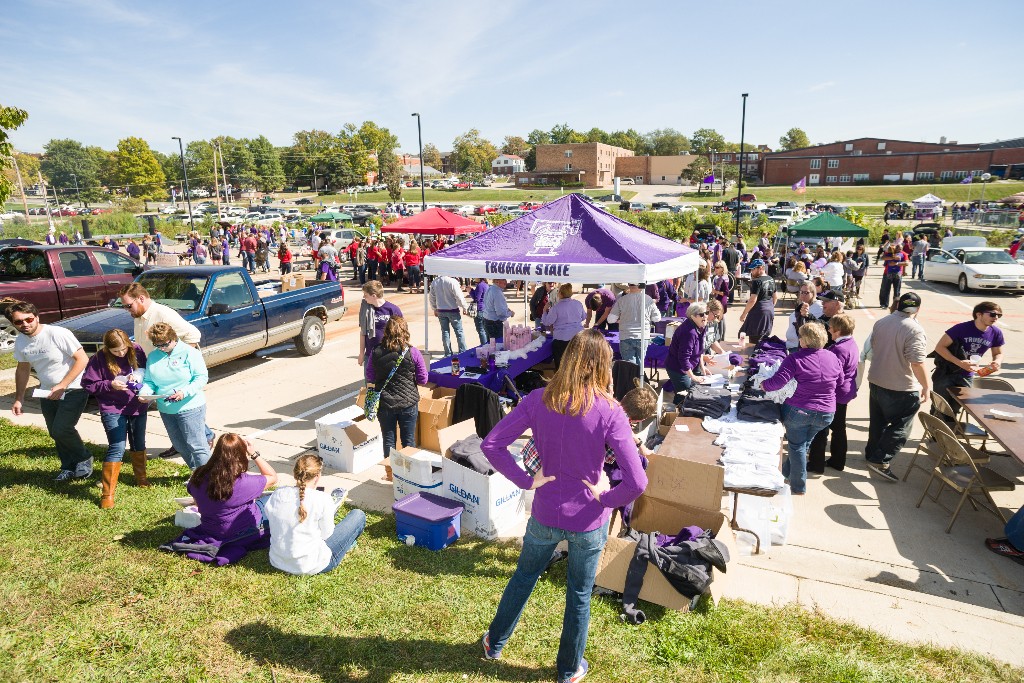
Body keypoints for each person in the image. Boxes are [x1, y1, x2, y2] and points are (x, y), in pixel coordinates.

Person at [479, 329, 647, 683]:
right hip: (588, 518)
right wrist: (606, 497)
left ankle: (494, 643)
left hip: (546, 512)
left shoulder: (538, 399)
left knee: (524, 577)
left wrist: (528, 481)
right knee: (580, 594)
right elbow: (637, 482)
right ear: (604, 366)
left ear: (567, 358)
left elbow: (492, 444)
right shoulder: (610, 411)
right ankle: (569, 669)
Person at [7, 300, 92, 482]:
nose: (25, 324)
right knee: (54, 432)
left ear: (37, 317)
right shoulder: (21, 341)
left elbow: (82, 359)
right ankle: (68, 467)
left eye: (29, 319)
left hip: (74, 388)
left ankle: (84, 458)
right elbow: (22, 369)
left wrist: (63, 385)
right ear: (13, 324)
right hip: (46, 391)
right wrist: (19, 398)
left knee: (62, 429)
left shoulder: (58, 333)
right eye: (19, 322)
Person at [168, 433, 277, 566]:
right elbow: (272, 477)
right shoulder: (243, 483)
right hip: (242, 530)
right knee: (274, 497)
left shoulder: (199, 474)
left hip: (211, 529)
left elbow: (197, 501)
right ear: (240, 456)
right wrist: (254, 453)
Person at [762, 322, 842, 495]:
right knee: (802, 445)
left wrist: (763, 384)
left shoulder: (795, 358)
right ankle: (784, 473)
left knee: (797, 446)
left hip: (799, 411)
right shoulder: (832, 357)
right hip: (826, 413)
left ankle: (798, 486)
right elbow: (840, 382)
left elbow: (776, 383)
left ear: (804, 340)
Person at [264, 454, 367, 575]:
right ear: (317, 476)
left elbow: (270, 516)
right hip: (314, 564)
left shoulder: (278, 493)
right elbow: (326, 534)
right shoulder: (322, 498)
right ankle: (348, 544)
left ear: (295, 473)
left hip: (278, 561)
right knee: (358, 515)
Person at [81, 329, 150, 508]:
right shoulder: (98, 358)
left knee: (138, 442)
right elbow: (88, 384)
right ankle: (107, 494)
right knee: (117, 446)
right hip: (112, 407)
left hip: (137, 405)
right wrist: (109, 384)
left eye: (123, 349)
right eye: (116, 351)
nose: (121, 353)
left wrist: (142, 381)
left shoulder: (137, 350)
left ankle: (141, 479)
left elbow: (148, 374)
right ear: (107, 349)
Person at [864, 292, 929, 482]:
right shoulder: (914, 329)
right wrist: (925, 386)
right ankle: (881, 460)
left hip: (877, 380)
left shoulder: (882, 322)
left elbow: (874, 346)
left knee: (878, 423)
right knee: (901, 427)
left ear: (899, 305)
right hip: (900, 386)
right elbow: (916, 362)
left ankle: (871, 454)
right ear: (917, 309)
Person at [139, 323, 211, 471]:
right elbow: (149, 381)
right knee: (179, 445)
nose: (162, 348)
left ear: (174, 338)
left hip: (190, 407)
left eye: (165, 344)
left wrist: (184, 392)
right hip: (166, 409)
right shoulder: (153, 356)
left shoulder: (190, 353)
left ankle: (209, 478)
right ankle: (195, 473)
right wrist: (144, 393)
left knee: (197, 445)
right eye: (157, 345)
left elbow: (201, 377)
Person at [367, 316, 428, 464]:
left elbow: (370, 376)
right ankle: (409, 474)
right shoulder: (413, 352)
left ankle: (391, 472)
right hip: (408, 403)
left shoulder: (376, 351)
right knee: (409, 440)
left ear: (386, 331)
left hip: (385, 404)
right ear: (405, 331)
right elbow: (423, 379)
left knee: (388, 440)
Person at [930, 301, 1005, 414]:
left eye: (999, 315)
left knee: (956, 409)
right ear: (979, 314)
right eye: (992, 314)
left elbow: (998, 353)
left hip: (966, 375)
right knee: (940, 407)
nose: (996, 318)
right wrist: (960, 363)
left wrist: (997, 361)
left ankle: (951, 430)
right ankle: (935, 429)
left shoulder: (996, 332)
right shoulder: (960, 328)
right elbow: (940, 348)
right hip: (946, 372)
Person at [808, 314, 859, 473]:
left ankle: (816, 463)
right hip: (845, 391)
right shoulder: (851, 343)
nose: (828, 330)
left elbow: (831, 373)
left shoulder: (838, 349)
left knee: (820, 428)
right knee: (838, 428)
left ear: (837, 330)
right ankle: (838, 460)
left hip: (835, 393)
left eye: (830, 327)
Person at [607, 283, 661, 371]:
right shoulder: (648, 299)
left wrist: (621, 320)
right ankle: (639, 382)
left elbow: (610, 319)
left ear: (629, 285)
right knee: (640, 365)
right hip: (643, 336)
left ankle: (630, 383)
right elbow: (657, 318)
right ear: (641, 286)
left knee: (629, 366)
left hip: (626, 335)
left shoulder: (622, 299)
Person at [665, 302, 709, 403]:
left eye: (706, 313)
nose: (705, 316)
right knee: (684, 394)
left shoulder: (701, 326)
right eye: (701, 314)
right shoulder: (689, 332)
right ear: (693, 316)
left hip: (688, 366)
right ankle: (677, 414)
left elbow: (700, 350)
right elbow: (683, 357)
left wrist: (702, 367)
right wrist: (692, 376)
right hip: (678, 368)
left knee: (690, 392)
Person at [358, 280, 403, 374]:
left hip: (389, 354)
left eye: (365, 295)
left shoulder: (392, 309)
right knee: (370, 385)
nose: (364, 297)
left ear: (374, 295)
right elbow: (363, 333)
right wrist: (361, 353)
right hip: (370, 355)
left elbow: (402, 332)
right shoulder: (366, 309)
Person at [542, 283, 586, 368]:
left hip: (562, 339)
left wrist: (544, 311)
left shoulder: (556, 307)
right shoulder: (578, 303)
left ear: (560, 294)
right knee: (577, 365)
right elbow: (583, 317)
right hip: (578, 337)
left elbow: (547, 322)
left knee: (562, 366)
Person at [429, 274, 469, 357]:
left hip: (441, 310)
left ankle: (448, 352)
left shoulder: (435, 282)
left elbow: (432, 297)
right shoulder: (452, 281)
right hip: (453, 310)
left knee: (445, 332)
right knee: (459, 332)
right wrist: (464, 307)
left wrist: (434, 308)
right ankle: (462, 351)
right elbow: (459, 296)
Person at [738, 259, 777, 345]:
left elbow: (752, 300)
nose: (751, 272)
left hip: (758, 312)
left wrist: (744, 314)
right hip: (769, 311)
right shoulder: (771, 279)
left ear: (760, 268)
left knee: (754, 341)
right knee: (764, 338)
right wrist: (769, 308)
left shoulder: (756, 281)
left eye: (753, 269)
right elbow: (775, 297)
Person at [785, 283, 823, 352]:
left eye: (806, 293)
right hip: (790, 344)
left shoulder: (818, 307)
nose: (802, 295)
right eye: (801, 292)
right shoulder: (803, 304)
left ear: (813, 293)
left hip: (800, 346)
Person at [481, 278, 513, 342]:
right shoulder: (497, 292)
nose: (506, 282)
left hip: (488, 320)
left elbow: (490, 304)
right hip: (495, 323)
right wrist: (511, 313)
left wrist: (506, 309)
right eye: (503, 280)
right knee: (498, 345)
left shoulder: (490, 288)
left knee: (491, 344)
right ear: (497, 281)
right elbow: (500, 312)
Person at [469, 277, 490, 345]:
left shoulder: (480, 285)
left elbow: (476, 298)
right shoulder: (485, 285)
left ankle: (484, 346)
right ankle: (487, 345)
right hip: (485, 309)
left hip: (480, 309)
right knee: (485, 329)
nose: (473, 278)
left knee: (481, 330)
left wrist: (470, 291)